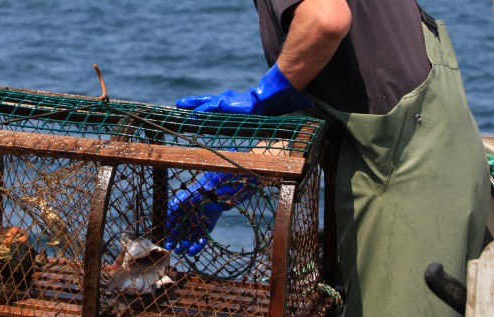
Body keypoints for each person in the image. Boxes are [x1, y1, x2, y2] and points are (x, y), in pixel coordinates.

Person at [164, 0, 490, 316]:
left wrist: (261, 96)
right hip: (450, 158)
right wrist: (223, 188)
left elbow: (325, 19)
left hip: (408, 176)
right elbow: (319, 115)